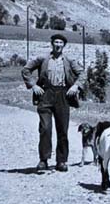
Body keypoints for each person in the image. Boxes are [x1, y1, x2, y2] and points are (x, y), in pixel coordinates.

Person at [21, 34, 84, 172]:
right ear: (52, 44)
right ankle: (43, 160)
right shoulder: (43, 58)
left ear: (64, 45)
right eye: (56, 42)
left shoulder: (69, 60)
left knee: (62, 130)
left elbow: (82, 73)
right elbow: (26, 70)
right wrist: (33, 85)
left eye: (61, 42)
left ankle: (61, 161)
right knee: (45, 128)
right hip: (45, 95)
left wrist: (75, 86)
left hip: (63, 95)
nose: (58, 44)